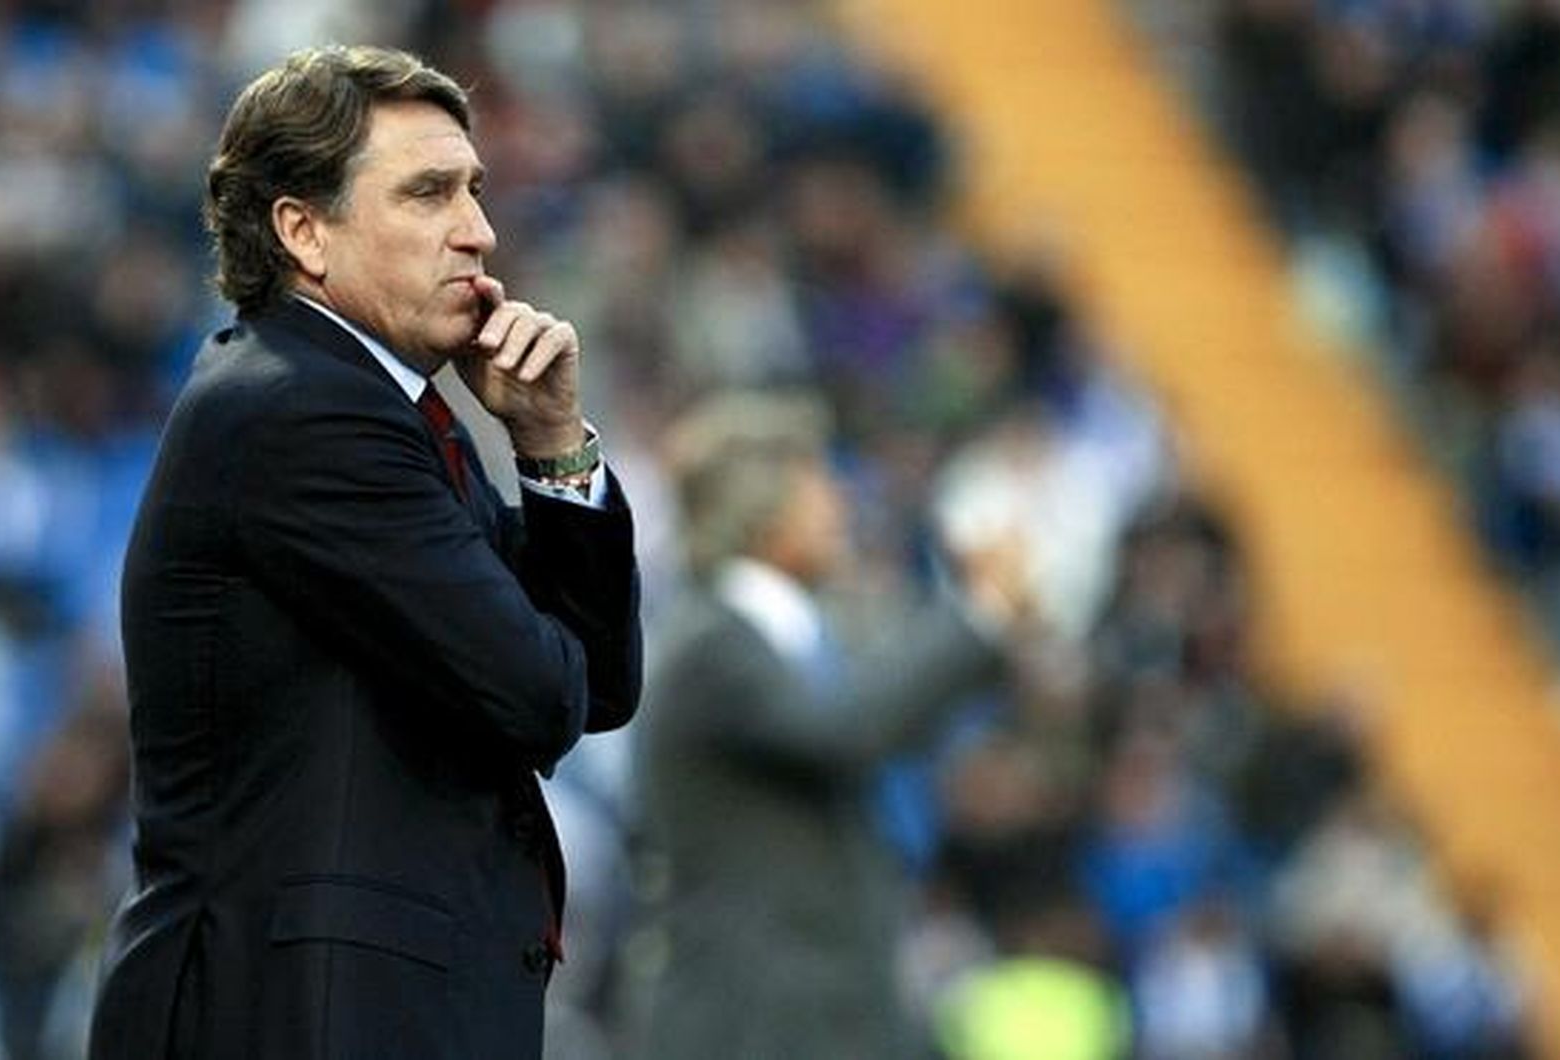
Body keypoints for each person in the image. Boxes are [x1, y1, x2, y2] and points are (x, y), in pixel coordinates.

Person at [87, 45, 642, 1060]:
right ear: (303, 229)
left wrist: (552, 446)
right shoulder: (305, 411)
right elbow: (537, 691)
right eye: (429, 193)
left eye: (475, 190)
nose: (477, 231)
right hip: (300, 1011)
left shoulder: (380, 409)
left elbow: (599, 684)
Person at [634, 391, 1030, 1059]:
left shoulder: (801, 637)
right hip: (754, 1023)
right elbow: (844, 733)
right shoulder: (712, 644)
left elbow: (880, 719)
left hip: (831, 1010)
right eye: (818, 487)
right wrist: (978, 613)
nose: (840, 507)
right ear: (759, 510)